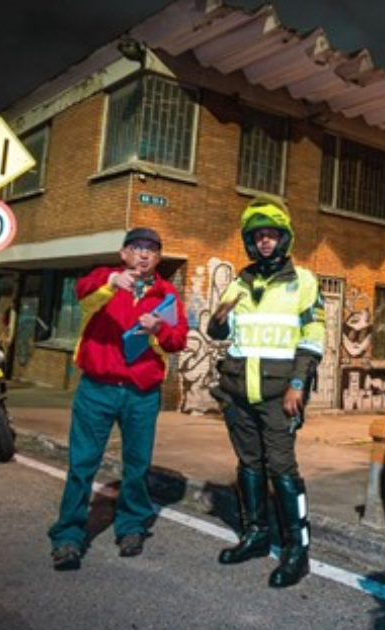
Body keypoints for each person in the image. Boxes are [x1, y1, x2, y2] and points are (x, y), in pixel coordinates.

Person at [48, 227, 188, 571]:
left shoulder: (166, 293)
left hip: (142, 393)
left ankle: (131, 526)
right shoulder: (101, 279)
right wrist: (112, 281)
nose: (143, 254)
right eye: (137, 248)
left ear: (158, 258)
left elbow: (178, 340)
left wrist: (158, 329)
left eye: (151, 250)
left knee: (137, 466)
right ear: (124, 253)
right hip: (97, 388)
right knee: (82, 464)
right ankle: (68, 535)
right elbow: (82, 293)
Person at [207, 197, 326, 588]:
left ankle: (297, 550)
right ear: (250, 241)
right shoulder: (240, 281)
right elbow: (219, 331)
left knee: (282, 468)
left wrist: (298, 384)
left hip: (280, 394)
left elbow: (313, 335)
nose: (265, 242)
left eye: (271, 235)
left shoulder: (303, 280)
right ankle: (257, 535)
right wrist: (218, 319)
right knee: (249, 465)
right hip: (238, 391)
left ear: (284, 238)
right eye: (258, 236)